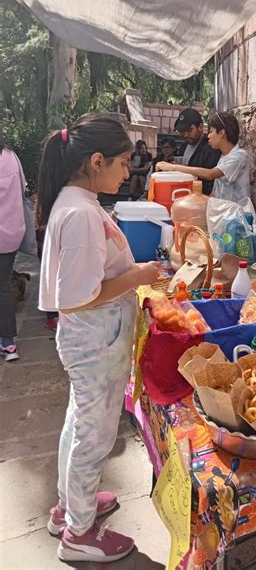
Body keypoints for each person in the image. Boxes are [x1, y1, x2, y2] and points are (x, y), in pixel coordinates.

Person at [36, 113, 161, 563]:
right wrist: (139, 276)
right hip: (95, 342)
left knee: (80, 423)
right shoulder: (81, 214)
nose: (127, 172)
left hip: (93, 341)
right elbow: (76, 298)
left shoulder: (79, 203)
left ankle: (70, 506)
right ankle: (80, 533)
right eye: (123, 163)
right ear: (96, 161)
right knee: (94, 434)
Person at [156, 111, 250, 203]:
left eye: (211, 132)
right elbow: (215, 193)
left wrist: (173, 167)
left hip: (236, 215)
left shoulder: (239, 156)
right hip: (221, 213)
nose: (208, 136)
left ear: (221, 133)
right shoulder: (223, 157)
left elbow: (210, 174)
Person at [0, 141, 26, 361]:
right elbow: (22, 188)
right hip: (10, 233)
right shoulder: (11, 156)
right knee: (3, 286)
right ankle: (8, 342)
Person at [171, 108, 221, 195]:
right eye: (182, 132)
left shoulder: (210, 149)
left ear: (200, 127)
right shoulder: (184, 147)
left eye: (189, 131)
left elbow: (212, 179)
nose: (185, 135)